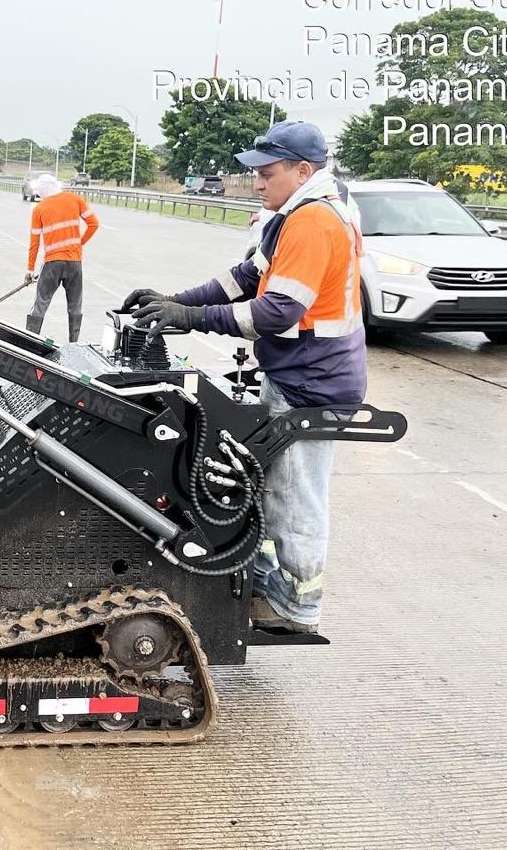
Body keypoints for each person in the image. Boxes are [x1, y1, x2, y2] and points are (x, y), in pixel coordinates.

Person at [125, 121, 364, 635]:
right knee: (266, 488)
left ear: (302, 170)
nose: (257, 182)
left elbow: (276, 311)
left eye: (267, 171)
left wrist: (191, 321)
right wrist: (173, 302)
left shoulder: (316, 221)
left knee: (295, 496)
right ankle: (261, 585)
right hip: (293, 372)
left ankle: (297, 607)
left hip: (314, 382)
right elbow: (242, 279)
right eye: (254, 171)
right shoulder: (288, 218)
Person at [25, 174, 99, 342]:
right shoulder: (75, 199)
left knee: (40, 303)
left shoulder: (39, 209)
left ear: (43, 189)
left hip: (52, 263)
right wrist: (79, 244)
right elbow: (94, 223)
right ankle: (73, 343)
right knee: (75, 305)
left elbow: (34, 243)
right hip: (74, 263)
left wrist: (30, 269)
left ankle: (29, 340)